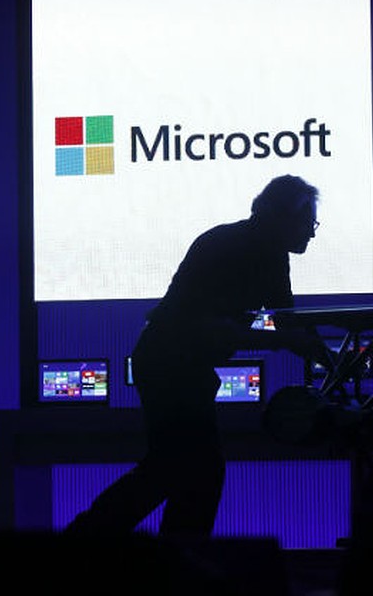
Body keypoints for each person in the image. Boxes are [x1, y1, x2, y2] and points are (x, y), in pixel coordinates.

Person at [64, 174, 334, 539]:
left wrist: (315, 349)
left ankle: (102, 545)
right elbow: (218, 330)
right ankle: (102, 544)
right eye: (308, 223)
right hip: (171, 365)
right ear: (284, 217)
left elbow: (287, 318)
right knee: (188, 471)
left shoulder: (260, 251)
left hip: (172, 363)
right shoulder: (235, 249)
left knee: (178, 469)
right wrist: (292, 342)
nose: (311, 234)